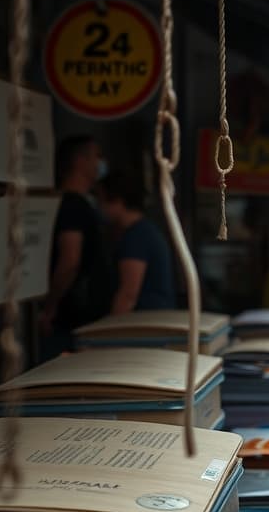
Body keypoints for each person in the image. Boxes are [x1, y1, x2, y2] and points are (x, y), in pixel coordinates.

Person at [38, 135, 111, 359]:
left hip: (80, 318)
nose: (101, 163)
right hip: (69, 321)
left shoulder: (83, 204)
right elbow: (70, 261)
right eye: (96, 156)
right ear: (80, 161)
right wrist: (50, 308)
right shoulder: (72, 206)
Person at [97, 169, 176, 313]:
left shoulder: (136, 237)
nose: (100, 207)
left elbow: (128, 294)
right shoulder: (144, 230)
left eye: (101, 200)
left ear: (117, 201)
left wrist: (111, 329)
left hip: (145, 322)